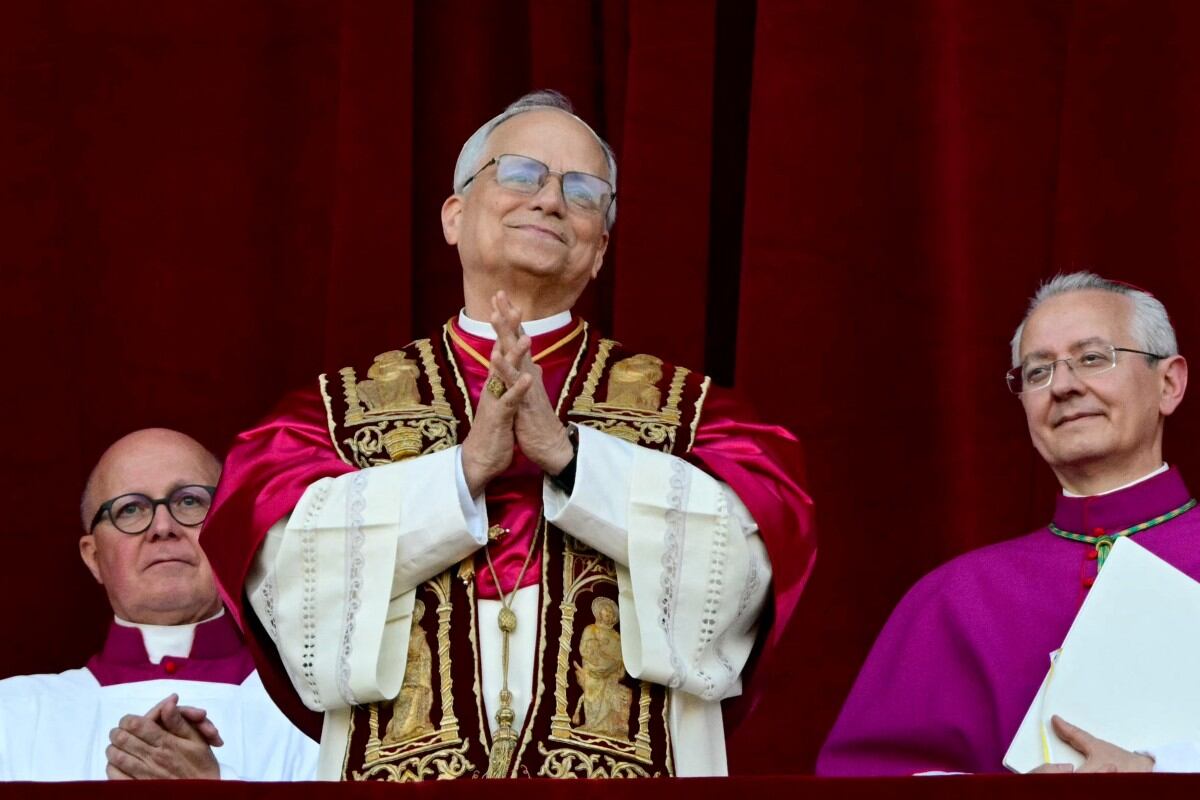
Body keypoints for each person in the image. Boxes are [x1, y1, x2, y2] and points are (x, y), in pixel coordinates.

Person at [201, 90, 815, 781]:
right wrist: (461, 474)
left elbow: (744, 574)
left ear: (600, 250)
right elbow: (284, 584)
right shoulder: (331, 416)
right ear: (454, 216)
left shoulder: (697, 416)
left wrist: (573, 459)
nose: (550, 201)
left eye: (583, 192)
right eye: (522, 174)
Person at [818, 271, 1200, 775]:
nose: (1062, 386)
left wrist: (1164, 773)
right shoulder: (955, 598)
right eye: (1037, 372)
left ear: (1168, 383)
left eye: (1091, 358)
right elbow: (868, 780)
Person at [0, 428, 318, 781]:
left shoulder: (315, 715)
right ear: (93, 557)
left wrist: (209, 790)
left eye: (189, 501)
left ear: (228, 531)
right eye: (130, 509)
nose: (163, 526)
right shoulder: (14, 715)